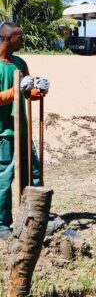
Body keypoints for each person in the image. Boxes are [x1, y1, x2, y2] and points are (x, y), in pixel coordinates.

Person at [0, 22, 48, 238]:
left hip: (23, 128)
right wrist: (16, 89)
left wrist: (39, 89)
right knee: (4, 178)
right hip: (4, 133)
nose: (23, 41)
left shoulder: (20, 62)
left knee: (34, 173)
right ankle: (2, 224)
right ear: (7, 38)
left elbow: (29, 94)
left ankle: (35, 215)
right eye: (19, 37)